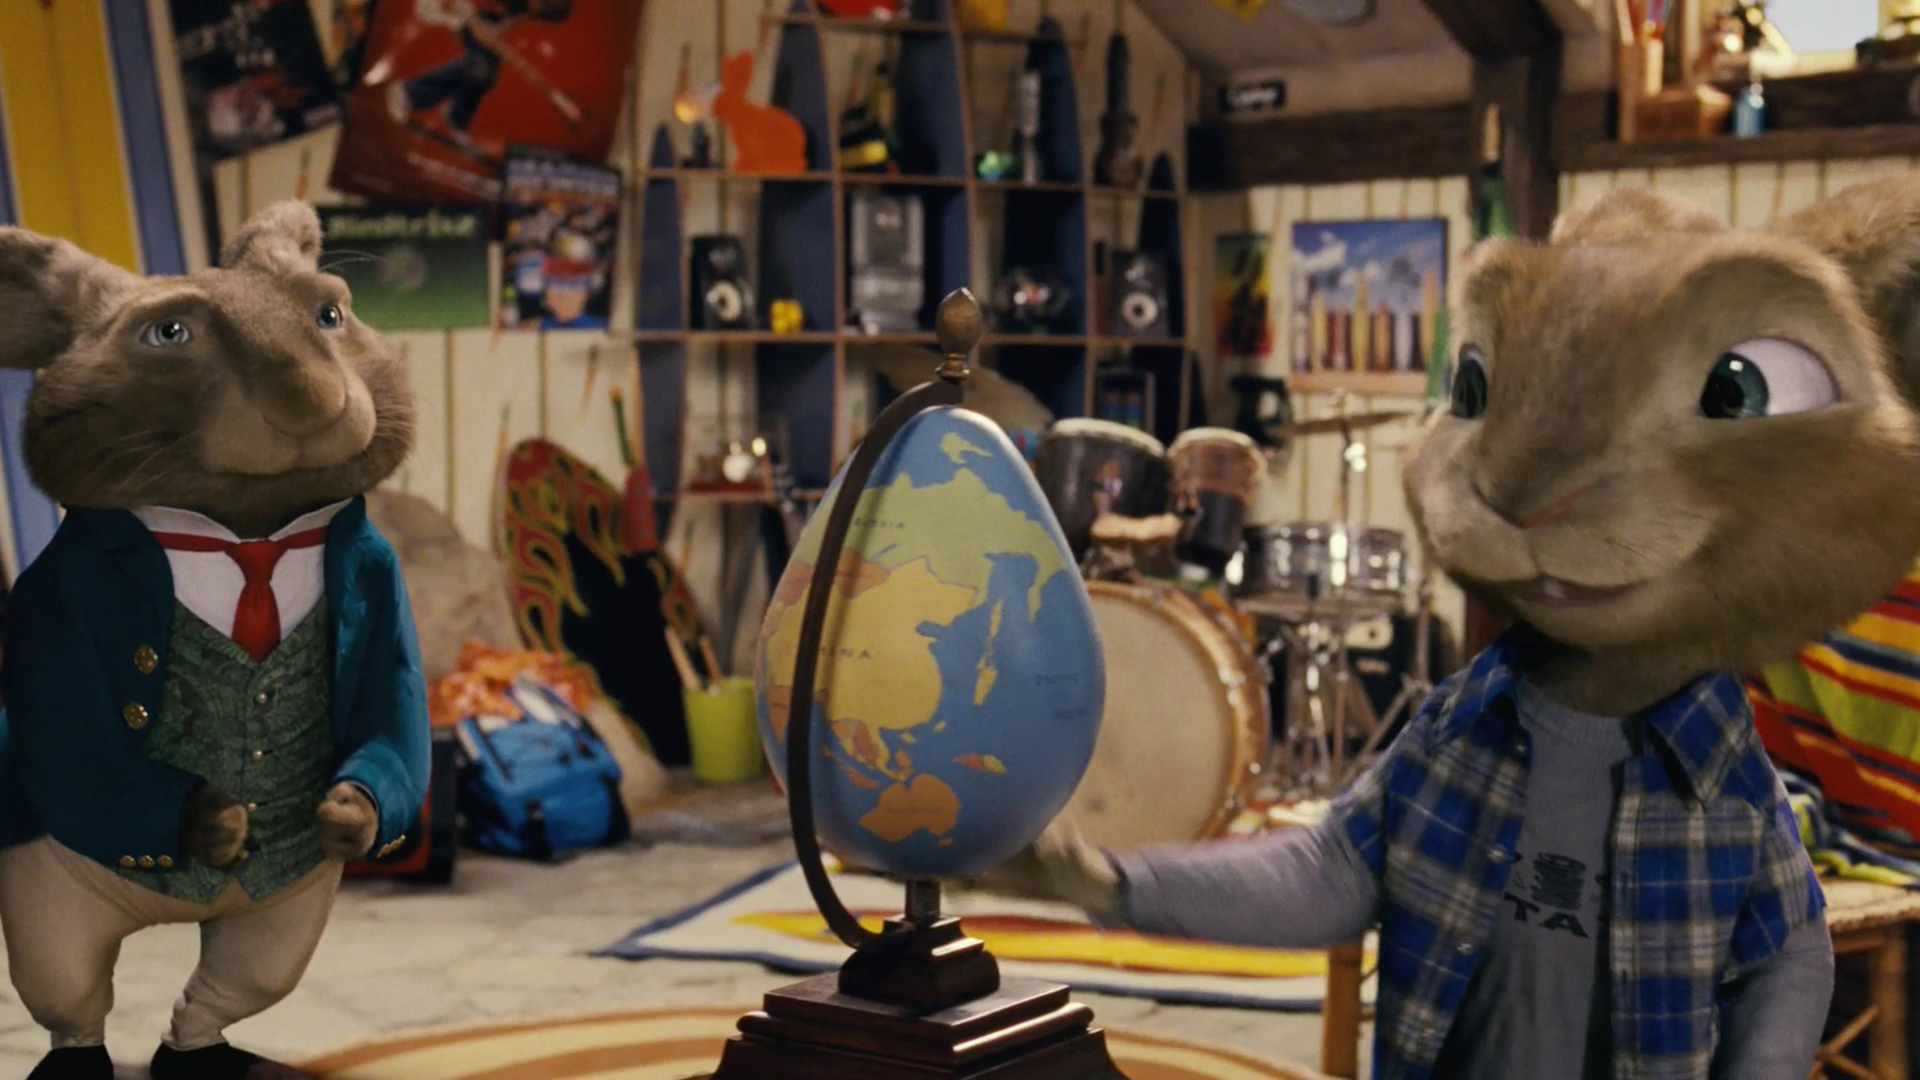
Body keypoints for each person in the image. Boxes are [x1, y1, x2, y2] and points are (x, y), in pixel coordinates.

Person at [386, 0, 582, 154]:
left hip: (482, 17)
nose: (536, 15)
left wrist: (555, 97)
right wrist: (473, 22)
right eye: (542, 9)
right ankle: (407, 93)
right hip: (454, 9)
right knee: (479, 68)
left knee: (487, 77)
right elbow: (476, 22)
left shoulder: (524, 8)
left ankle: (456, 118)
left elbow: (502, 29)